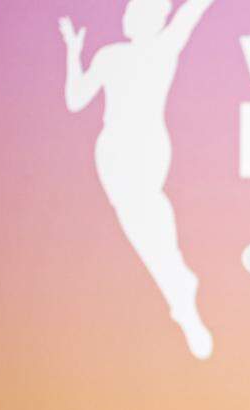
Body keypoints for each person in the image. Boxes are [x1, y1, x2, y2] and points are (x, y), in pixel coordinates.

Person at [59, 0, 215, 359]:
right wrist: (73, 52)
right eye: (130, 11)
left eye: (142, 13)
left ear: (157, 21)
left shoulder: (163, 48)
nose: (131, 17)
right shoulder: (110, 55)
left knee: (147, 213)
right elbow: (75, 99)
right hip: (112, 150)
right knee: (139, 223)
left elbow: (191, 11)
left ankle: (180, 292)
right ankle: (179, 287)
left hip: (147, 147)